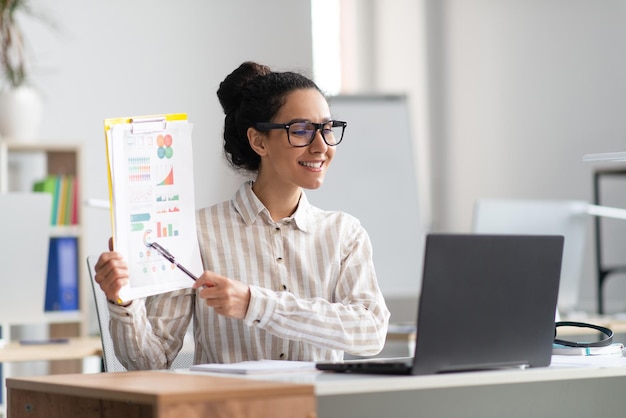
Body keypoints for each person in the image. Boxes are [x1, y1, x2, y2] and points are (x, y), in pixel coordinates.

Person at [94, 61, 390, 370]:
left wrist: (255, 304)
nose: (321, 146)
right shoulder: (195, 233)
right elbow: (148, 364)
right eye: (301, 131)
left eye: (327, 129)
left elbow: (370, 332)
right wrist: (123, 300)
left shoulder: (344, 234)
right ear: (259, 140)